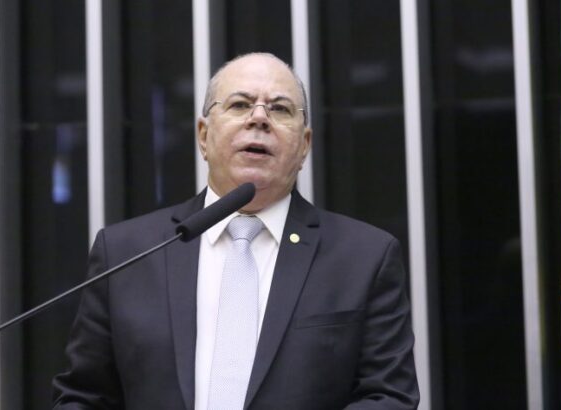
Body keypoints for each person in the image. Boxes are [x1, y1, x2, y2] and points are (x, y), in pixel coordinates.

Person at [52, 52, 419, 409]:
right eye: (240, 105)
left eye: (280, 109)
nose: (259, 118)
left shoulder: (364, 257)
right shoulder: (126, 252)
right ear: (203, 135)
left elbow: (389, 396)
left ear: (304, 146)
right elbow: (83, 397)